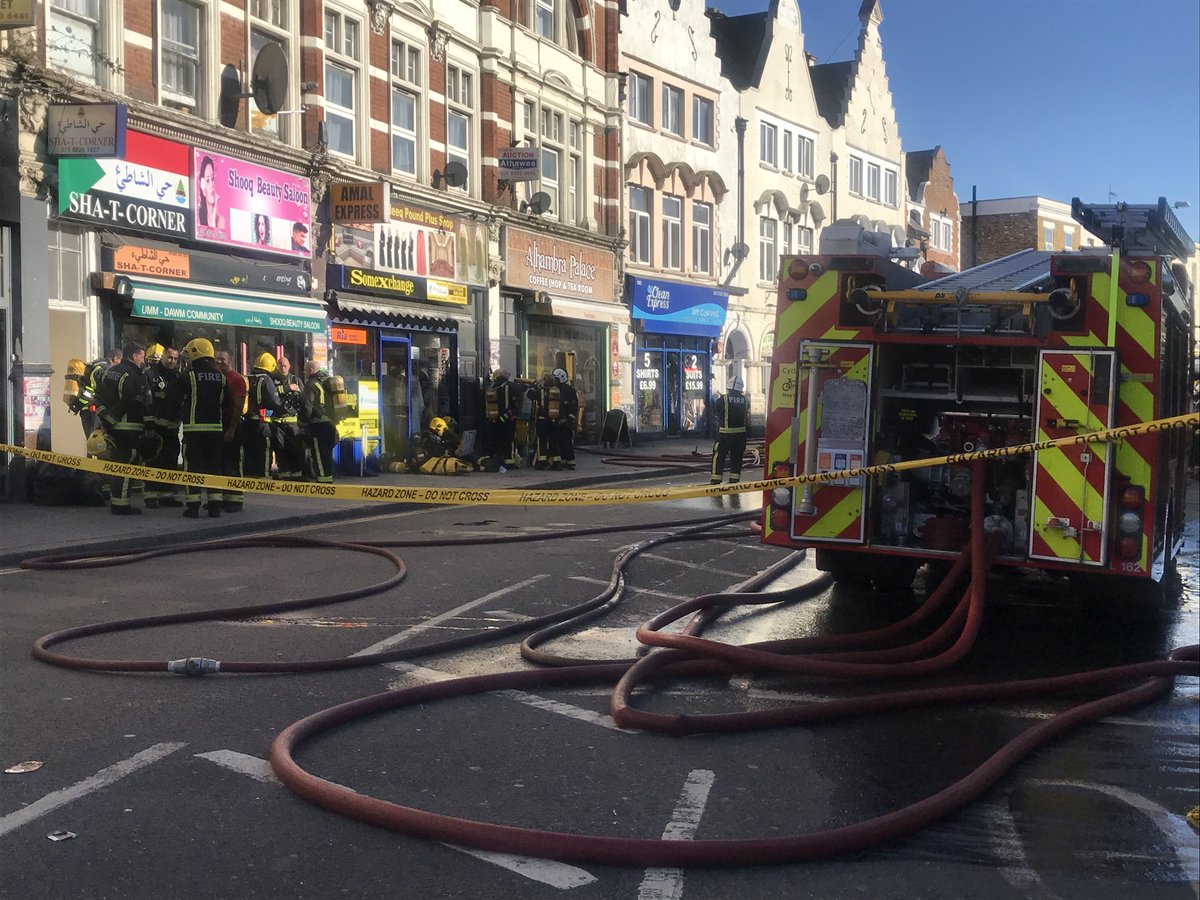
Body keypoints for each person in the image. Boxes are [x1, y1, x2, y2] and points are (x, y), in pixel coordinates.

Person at [94, 341, 151, 514]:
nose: (143, 361)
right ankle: (121, 505)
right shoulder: (134, 375)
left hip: (111, 427)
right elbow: (134, 401)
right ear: (134, 357)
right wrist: (148, 425)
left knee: (118, 464)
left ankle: (116, 501)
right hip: (129, 427)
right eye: (142, 357)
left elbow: (98, 398)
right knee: (128, 465)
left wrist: (107, 420)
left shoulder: (109, 372)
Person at [173, 338, 227, 518]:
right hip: (215, 430)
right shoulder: (221, 377)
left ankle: (193, 506)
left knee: (192, 467)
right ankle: (214, 506)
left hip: (194, 430)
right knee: (214, 467)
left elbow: (175, 397)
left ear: (195, 353)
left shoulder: (188, 375)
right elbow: (226, 403)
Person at [142, 343, 184, 508]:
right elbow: (146, 402)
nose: (172, 361)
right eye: (170, 357)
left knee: (171, 460)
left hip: (172, 427)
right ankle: (151, 495)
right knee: (153, 460)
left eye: (175, 358)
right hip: (155, 427)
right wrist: (148, 426)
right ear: (163, 356)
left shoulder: (178, 377)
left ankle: (167, 495)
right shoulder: (150, 374)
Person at [214, 350, 247, 512]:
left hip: (231, 425)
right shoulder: (218, 377)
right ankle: (222, 499)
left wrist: (232, 429)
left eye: (223, 359)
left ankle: (235, 500)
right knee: (220, 464)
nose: (220, 362)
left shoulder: (236, 379)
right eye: (217, 359)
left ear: (231, 360)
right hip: (219, 426)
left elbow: (239, 406)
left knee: (232, 465)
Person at [244, 352, 284, 479]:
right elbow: (274, 402)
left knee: (250, 449)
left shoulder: (248, 377)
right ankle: (264, 476)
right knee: (265, 449)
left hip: (248, 421)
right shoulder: (266, 380)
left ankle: (250, 474)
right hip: (263, 422)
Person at [300, 359, 339, 484]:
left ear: (311, 370)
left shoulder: (311, 384)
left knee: (319, 453)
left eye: (305, 369)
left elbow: (307, 406)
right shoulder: (327, 381)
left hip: (318, 425)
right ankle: (328, 477)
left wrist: (302, 421)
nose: (304, 372)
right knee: (327, 453)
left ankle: (323, 481)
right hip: (330, 424)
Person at [710, 374, 750, 485]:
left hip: (725, 435)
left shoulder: (724, 399)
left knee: (719, 457)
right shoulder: (746, 400)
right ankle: (734, 481)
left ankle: (716, 480)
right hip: (741, 436)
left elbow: (717, 409)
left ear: (729, 387)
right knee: (737, 458)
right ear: (741, 388)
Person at [271, 355, 305, 480]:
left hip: (292, 422)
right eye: (280, 365)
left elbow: (303, 399)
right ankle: (284, 473)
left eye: (285, 365)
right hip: (278, 422)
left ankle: (296, 473)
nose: (283, 368)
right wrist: (287, 388)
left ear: (289, 366)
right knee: (280, 449)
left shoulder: (296, 380)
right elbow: (271, 392)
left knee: (295, 448)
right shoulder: (272, 379)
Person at [480, 368, 520, 471]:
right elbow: (522, 390)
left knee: (496, 439)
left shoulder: (491, 387)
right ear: (505, 376)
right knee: (508, 439)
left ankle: (496, 459)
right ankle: (509, 461)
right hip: (507, 418)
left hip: (493, 419)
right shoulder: (510, 386)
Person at [408, 416, 472, 475]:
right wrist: (452, 452)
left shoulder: (432, 437)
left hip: (429, 461)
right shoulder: (429, 438)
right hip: (427, 463)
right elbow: (436, 453)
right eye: (444, 429)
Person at [530, 372, 561, 470]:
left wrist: (535, 385)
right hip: (554, 419)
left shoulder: (540, 391)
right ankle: (556, 463)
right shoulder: (557, 391)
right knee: (554, 441)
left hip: (542, 420)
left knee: (541, 441)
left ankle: (541, 462)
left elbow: (530, 395)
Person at [552, 368, 579, 471]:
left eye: (556, 379)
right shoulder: (555, 390)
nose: (554, 381)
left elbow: (573, 406)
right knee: (560, 442)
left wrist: (570, 419)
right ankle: (564, 461)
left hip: (566, 421)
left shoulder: (569, 391)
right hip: (559, 420)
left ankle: (571, 462)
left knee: (567, 442)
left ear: (560, 378)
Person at [197, 156, 226, 231]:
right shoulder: (198, 218)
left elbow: (217, 242)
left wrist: (213, 220)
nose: (211, 185)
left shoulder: (221, 220)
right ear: (203, 189)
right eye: (207, 180)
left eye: (212, 179)